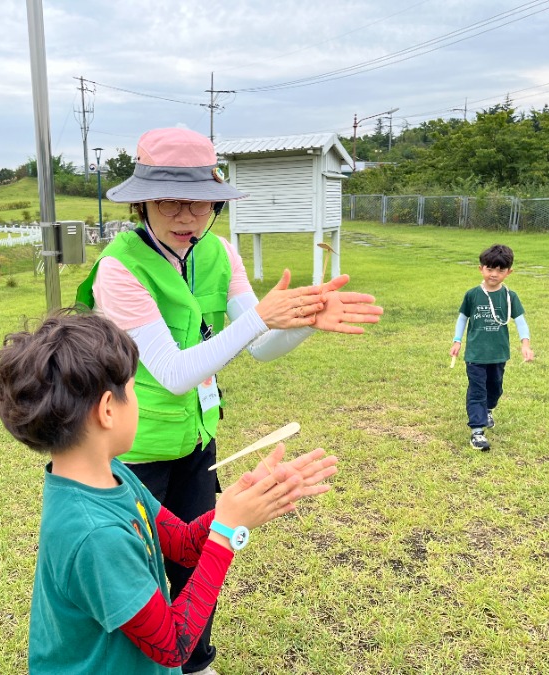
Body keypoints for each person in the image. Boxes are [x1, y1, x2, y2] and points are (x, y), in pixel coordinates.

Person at [75, 127, 382, 674]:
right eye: (168, 198)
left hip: (198, 439)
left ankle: (194, 663)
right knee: (140, 575)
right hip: (135, 447)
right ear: (142, 199)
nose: (184, 213)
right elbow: (171, 373)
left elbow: (259, 346)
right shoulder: (119, 267)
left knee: (198, 558)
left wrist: (304, 321)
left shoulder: (219, 252)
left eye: (198, 199)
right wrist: (264, 316)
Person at [0, 309, 338, 674]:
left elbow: (182, 544)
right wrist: (229, 532)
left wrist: (244, 502)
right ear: (107, 409)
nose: (136, 401)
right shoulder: (94, 534)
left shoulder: (109, 473)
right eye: (135, 390)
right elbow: (174, 645)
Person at [450, 244, 534, 451]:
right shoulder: (472, 295)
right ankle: (477, 431)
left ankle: (488, 409)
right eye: (490, 269)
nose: (494, 274)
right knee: (477, 390)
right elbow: (463, 318)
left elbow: (520, 321)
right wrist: (457, 340)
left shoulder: (509, 296)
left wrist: (525, 344)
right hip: (476, 354)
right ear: (481, 269)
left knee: (495, 388)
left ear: (509, 272)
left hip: (498, 354)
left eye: (500, 270)